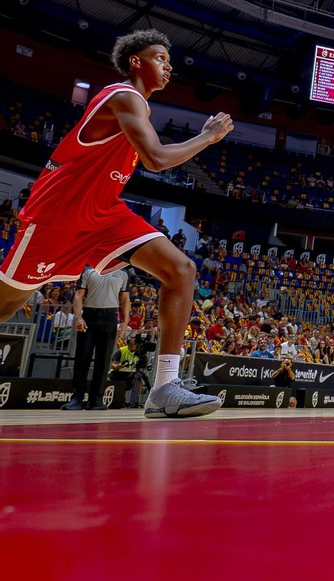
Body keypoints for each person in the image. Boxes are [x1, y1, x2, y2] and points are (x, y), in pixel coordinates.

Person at [0, 29, 230, 418]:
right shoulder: (122, 96)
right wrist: (207, 137)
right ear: (136, 61)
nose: (168, 65)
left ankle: (165, 387)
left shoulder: (138, 107)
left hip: (104, 212)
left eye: (169, 60)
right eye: (160, 57)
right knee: (6, 304)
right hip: (59, 214)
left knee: (181, 269)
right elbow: (156, 158)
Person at [62, 266, 130, 411]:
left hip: (110, 317)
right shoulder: (88, 271)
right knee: (82, 357)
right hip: (89, 315)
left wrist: (125, 321)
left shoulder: (123, 273)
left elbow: (124, 299)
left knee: (104, 361)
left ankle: (96, 400)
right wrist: (78, 317)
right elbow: (79, 295)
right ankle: (77, 398)